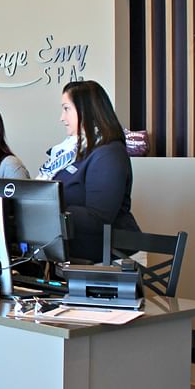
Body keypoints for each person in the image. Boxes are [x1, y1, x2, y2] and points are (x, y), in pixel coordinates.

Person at [44, 80, 140, 262]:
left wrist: (51, 208)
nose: (62, 118)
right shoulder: (75, 152)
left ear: (86, 110)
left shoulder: (109, 154)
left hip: (110, 262)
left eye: (66, 109)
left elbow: (99, 217)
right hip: (78, 258)